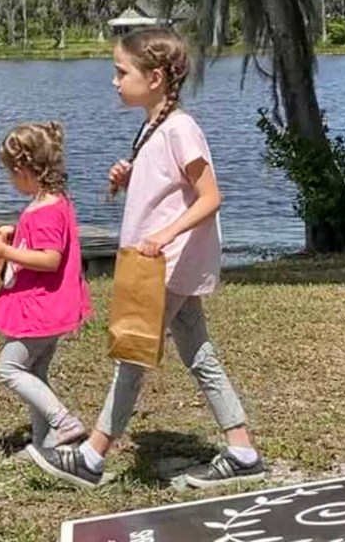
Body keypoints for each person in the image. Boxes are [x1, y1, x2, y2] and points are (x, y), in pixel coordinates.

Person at [27, 26, 266, 489]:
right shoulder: (154, 126)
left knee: (132, 356)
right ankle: (242, 451)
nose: (115, 81)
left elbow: (210, 197)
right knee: (198, 353)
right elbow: (166, 187)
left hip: (167, 266)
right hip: (157, 266)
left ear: (155, 77)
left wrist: (165, 234)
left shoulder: (180, 128)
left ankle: (92, 457)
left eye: (122, 72)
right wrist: (128, 177)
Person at [0, 122, 91, 450]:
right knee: (36, 372)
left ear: (23, 170)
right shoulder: (54, 202)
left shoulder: (44, 211)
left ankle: (63, 421)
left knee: (9, 368)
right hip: (50, 306)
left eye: (10, 173)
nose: (10, 180)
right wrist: (16, 235)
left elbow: (49, 259)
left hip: (39, 308)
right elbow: (43, 242)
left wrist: (4, 252)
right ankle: (45, 445)